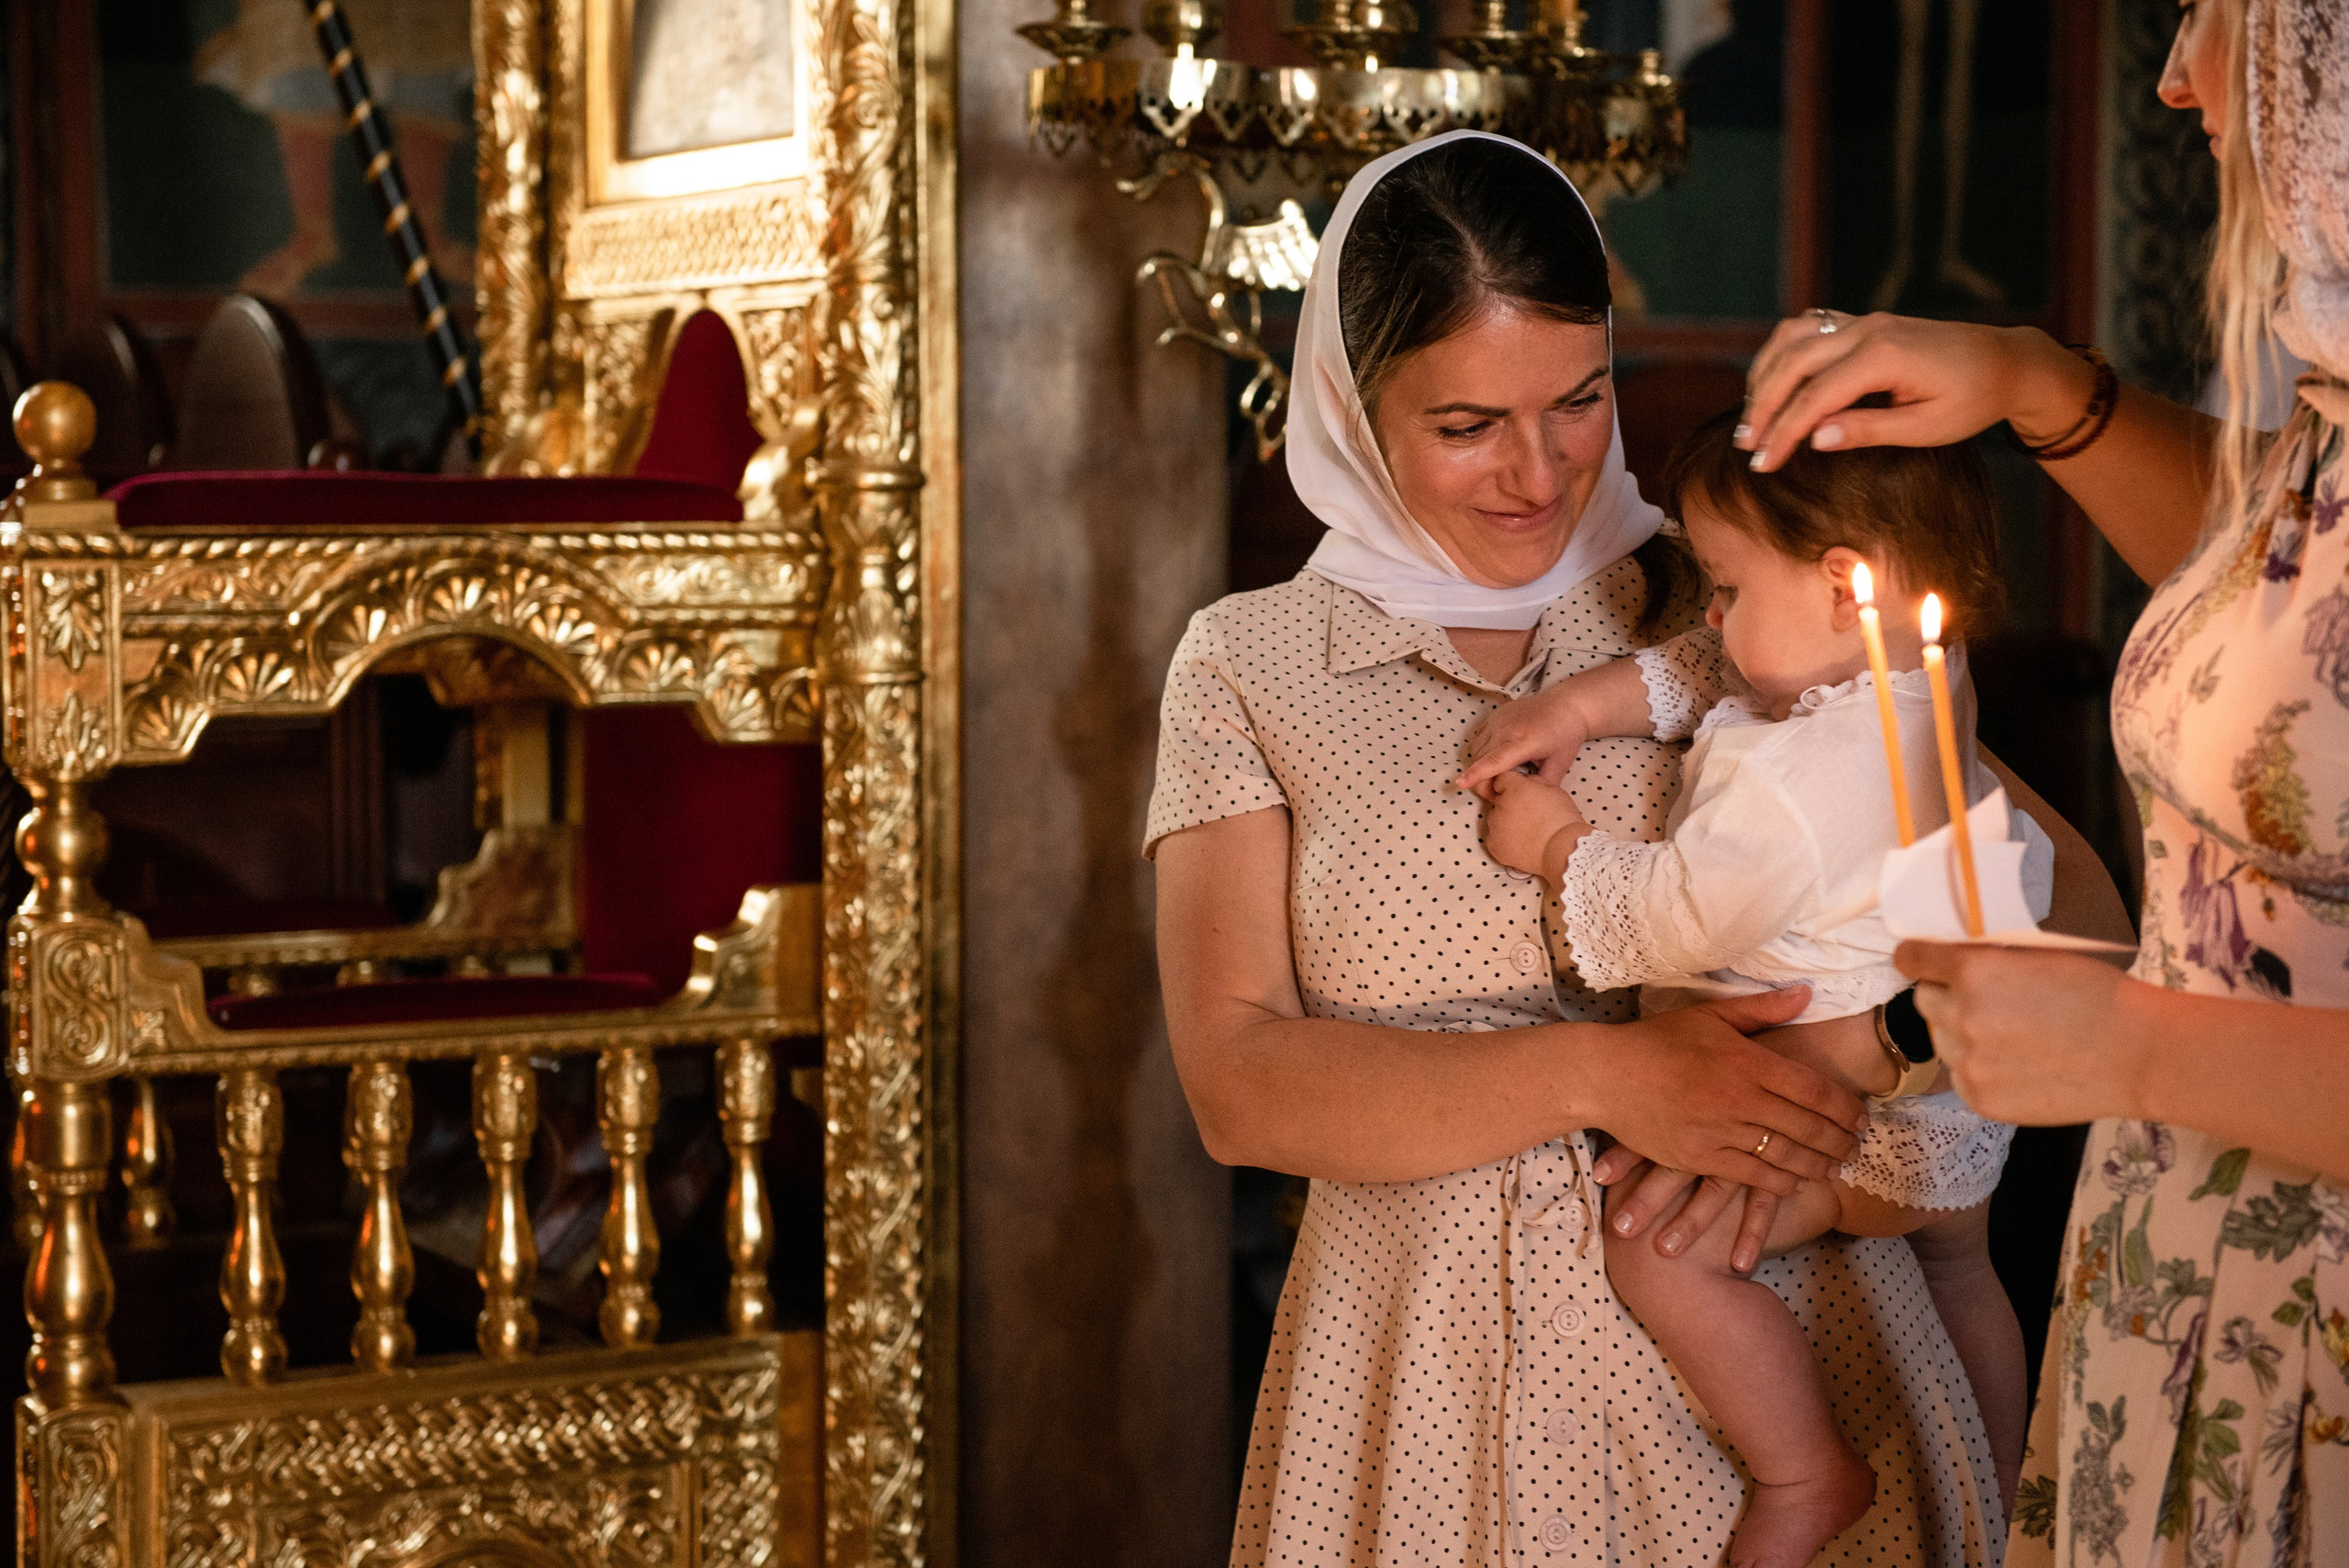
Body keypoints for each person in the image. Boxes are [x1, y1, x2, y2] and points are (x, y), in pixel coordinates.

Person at [1151, 128, 2129, 1565]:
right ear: (1356, 411)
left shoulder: (1746, 589)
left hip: (1805, 1375)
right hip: (1425, 1395)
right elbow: (1238, 1086)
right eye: (1466, 424)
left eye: (1582, 398)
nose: (1537, 474)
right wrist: (1613, 1071)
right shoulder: (1246, 666)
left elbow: (2083, 923)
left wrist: (1880, 1041)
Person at [1734, 2, 2349, 1562]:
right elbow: (2295, 639)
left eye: (2223, 20)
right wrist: (2027, 383)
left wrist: (2133, 1035)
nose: (2174, 73)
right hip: (2180, 1276)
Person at [1461, 410, 2042, 1565]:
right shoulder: (1910, 662)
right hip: (1956, 1104)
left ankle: (1802, 1467)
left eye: (1723, 584)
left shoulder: (1804, 785)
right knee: (1963, 1264)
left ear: (1841, 581)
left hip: (1853, 1129)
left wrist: (1558, 843)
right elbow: (1711, 672)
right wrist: (1581, 705)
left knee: (1658, 1250)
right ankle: (2004, 1492)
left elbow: (1679, 914)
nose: (1708, 616)